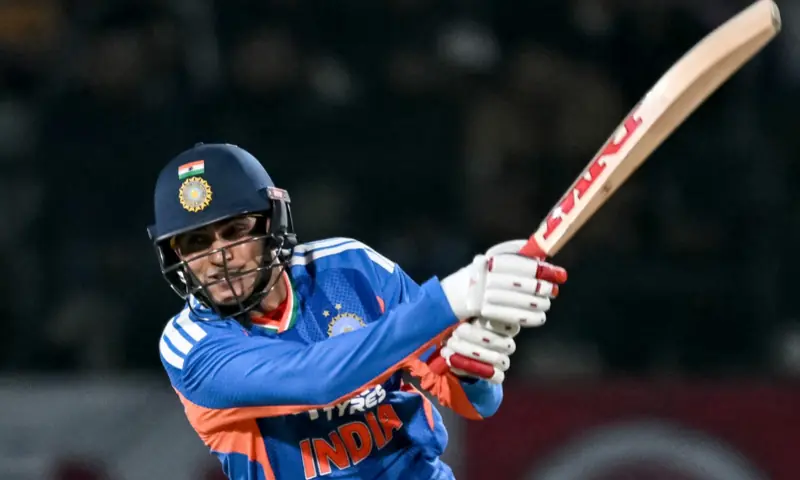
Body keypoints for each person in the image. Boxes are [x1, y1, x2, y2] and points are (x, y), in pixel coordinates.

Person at [149, 143, 567, 480]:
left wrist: (471, 368)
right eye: (196, 243)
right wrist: (453, 299)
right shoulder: (189, 346)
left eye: (235, 231)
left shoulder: (350, 266)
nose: (220, 258)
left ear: (271, 224)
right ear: (176, 257)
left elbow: (476, 404)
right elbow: (315, 379)